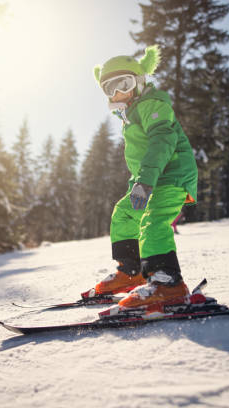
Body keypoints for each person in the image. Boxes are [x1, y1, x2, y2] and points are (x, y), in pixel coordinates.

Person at [82, 45, 198, 311]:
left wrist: (145, 181)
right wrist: (138, 183)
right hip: (150, 179)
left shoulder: (151, 104)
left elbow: (162, 141)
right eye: (109, 88)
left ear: (140, 81)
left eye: (123, 83)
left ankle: (169, 284)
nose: (117, 93)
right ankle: (131, 271)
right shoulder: (129, 116)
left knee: (153, 221)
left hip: (172, 175)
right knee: (124, 213)